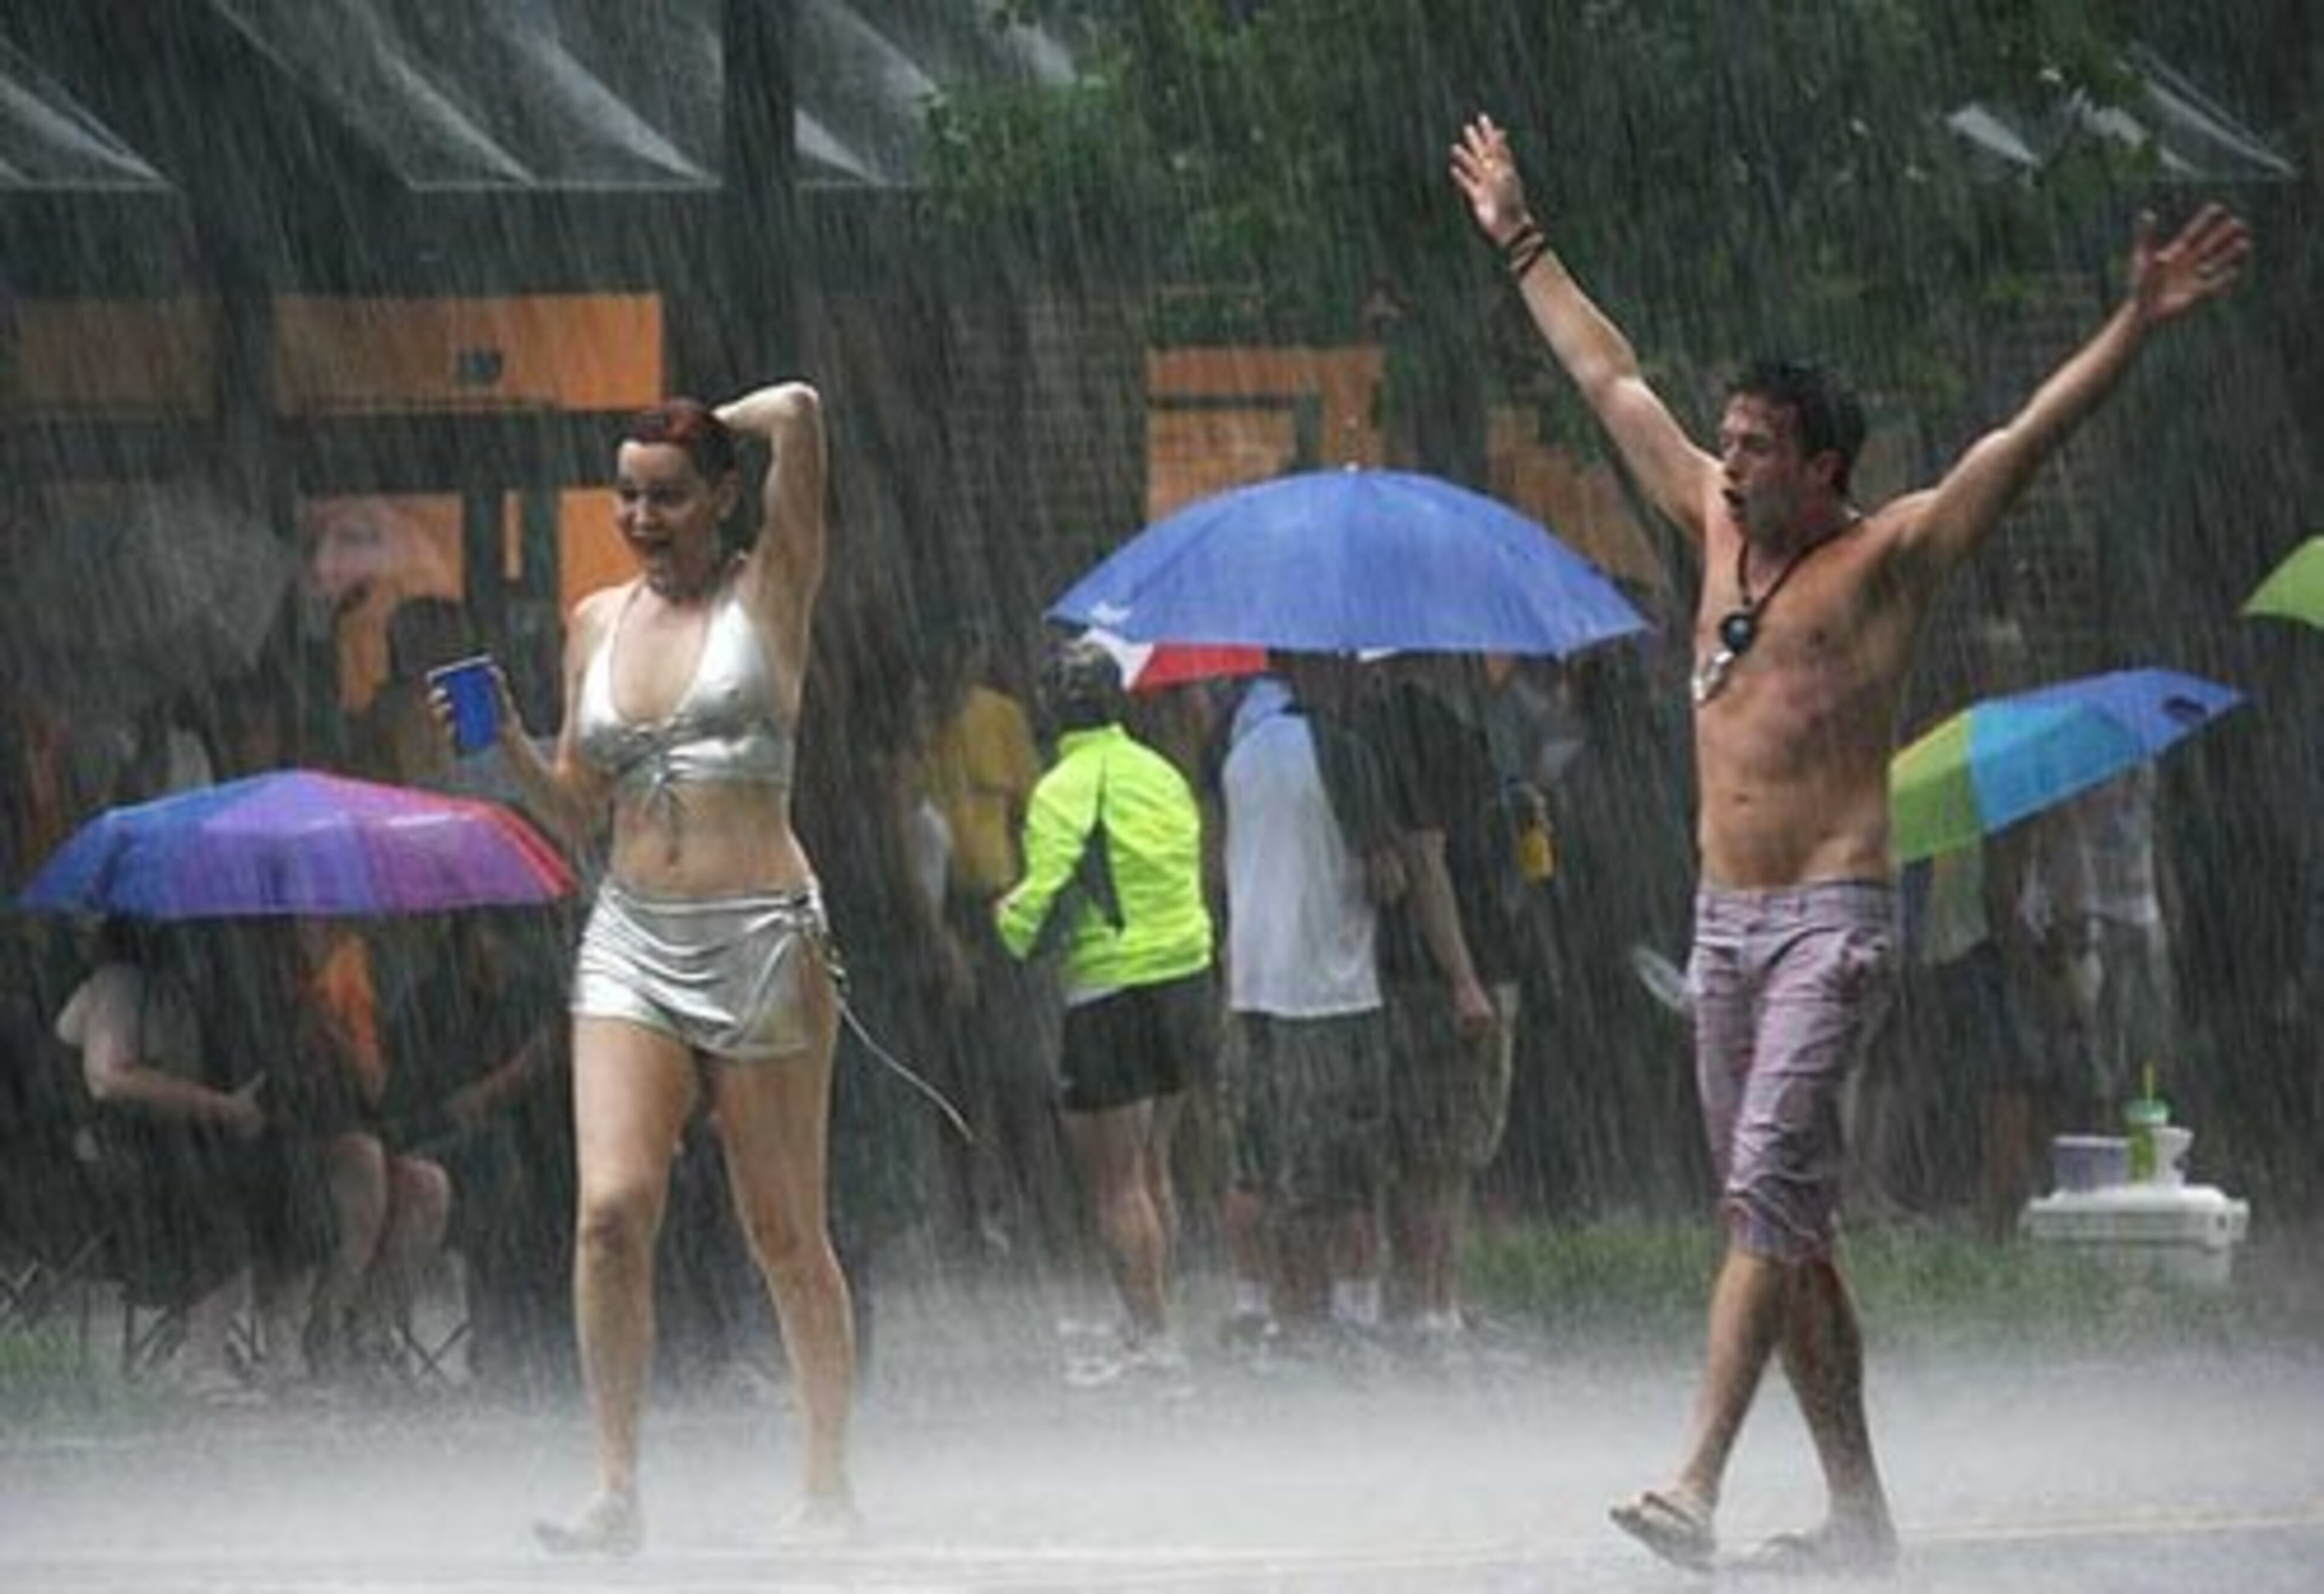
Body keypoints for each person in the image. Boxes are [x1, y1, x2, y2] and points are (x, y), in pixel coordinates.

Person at [1453, 113, 2249, 1573]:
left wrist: (2133, 323)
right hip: (1721, 926)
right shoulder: (1707, 522)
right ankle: (1860, 1515)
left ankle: (1690, 1478)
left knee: (1766, 1194)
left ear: (1819, 468)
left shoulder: (1884, 560)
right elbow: (1602, 373)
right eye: (1730, 437)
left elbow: (2021, 443)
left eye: (1756, 445)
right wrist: (1517, 232)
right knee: (1791, 1229)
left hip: (1831, 919)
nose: (1729, 457)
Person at [455, 385, 856, 1555]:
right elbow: (581, 806)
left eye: (668, 494)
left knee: (783, 1228)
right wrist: (515, 746)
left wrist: (722, 417)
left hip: (762, 934)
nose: (642, 514)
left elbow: (804, 411)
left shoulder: (771, 593)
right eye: (627, 494)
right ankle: (616, 1484)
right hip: (631, 936)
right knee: (612, 1212)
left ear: (722, 498)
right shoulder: (592, 621)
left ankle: (827, 1480)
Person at [994, 637, 1216, 1382]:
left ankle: (1153, 1340)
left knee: (1116, 1180)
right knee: (1156, 1168)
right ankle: (1158, 1320)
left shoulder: (1064, 786)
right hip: (1187, 980)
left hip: (1109, 990)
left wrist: (1006, 920)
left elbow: (1048, 896)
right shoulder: (1162, 775)